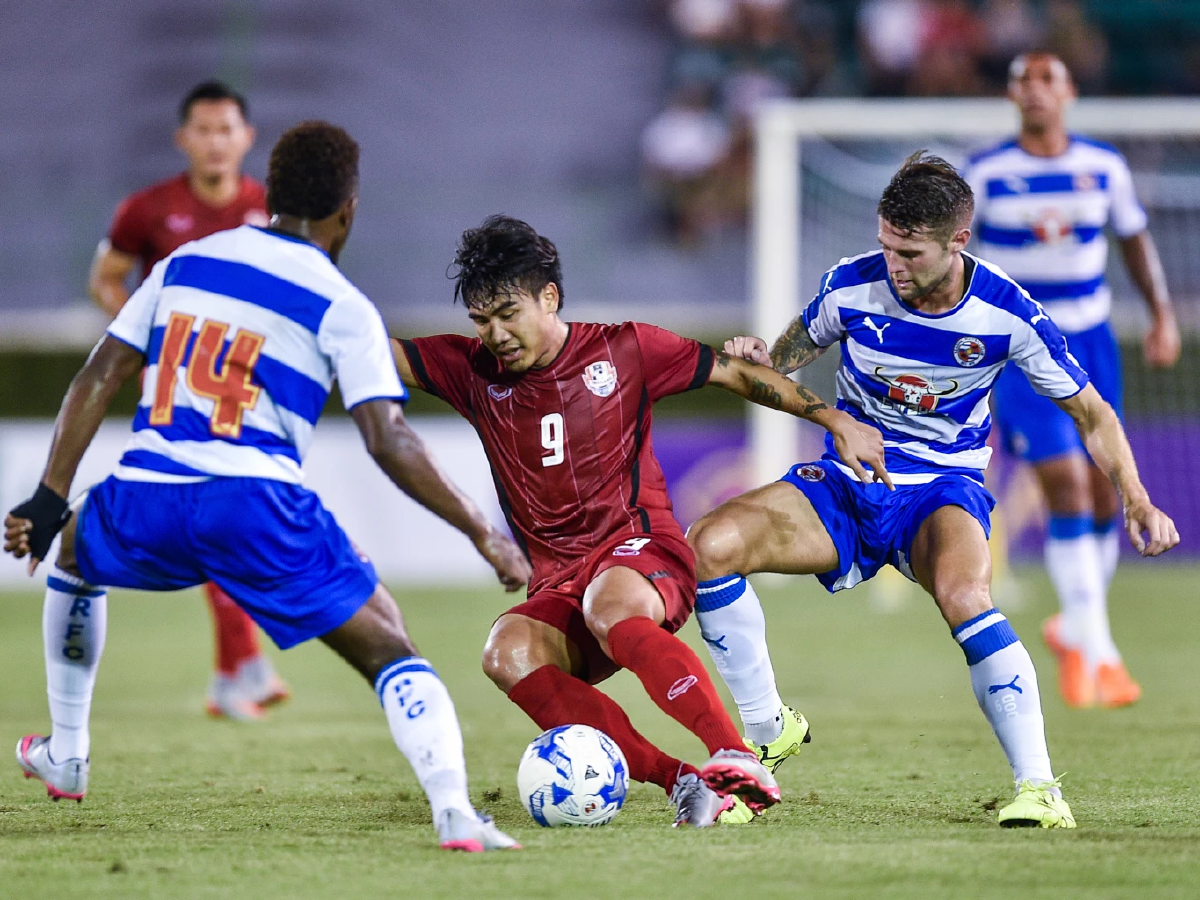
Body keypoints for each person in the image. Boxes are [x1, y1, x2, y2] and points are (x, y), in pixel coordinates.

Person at [6, 122, 532, 853]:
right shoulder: (341, 303)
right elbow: (389, 438)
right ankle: (454, 813)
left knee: (67, 553)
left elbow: (99, 374)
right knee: (389, 645)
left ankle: (67, 750)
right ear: (347, 211)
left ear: (270, 193)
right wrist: (483, 532)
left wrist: (46, 497)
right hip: (252, 504)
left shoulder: (186, 263)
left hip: (146, 494)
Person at [686, 152, 1178, 829]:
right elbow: (782, 360)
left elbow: (1092, 412)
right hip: (847, 484)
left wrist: (1136, 496)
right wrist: (757, 357)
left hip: (941, 489)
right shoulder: (848, 286)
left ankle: (1040, 790)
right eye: (887, 245)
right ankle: (768, 731)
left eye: (910, 253)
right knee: (708, 545)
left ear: (959, 242)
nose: (893, 264)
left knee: (965, 595)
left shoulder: (1009, 313)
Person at [391, 214, 889, 827]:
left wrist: (835, 422)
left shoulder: (623, 348)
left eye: (507, 313)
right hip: (558, 582)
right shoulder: (469, 370)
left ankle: (734, 754)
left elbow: (734, 374)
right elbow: (365, 351)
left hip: (641, 552)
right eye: (481, 319)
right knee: (507, 651)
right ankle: (682, 782)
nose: (495, 333)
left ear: (549, 297)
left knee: (610, 604)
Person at [965, 53, 1180, 709]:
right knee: (1063, 478)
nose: (1034, 91)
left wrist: (1162, 316)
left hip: (1090, 342)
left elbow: (1134, 241)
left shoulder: (1104, 168)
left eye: (1046, 80)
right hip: (1021, 348)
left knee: (1100, 493)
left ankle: (1075, 629)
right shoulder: (987, 172)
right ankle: (1102, 650)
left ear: (1069, 93)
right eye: (1022, 80)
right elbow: (957, 256)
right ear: (1010, 95)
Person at [88, 80, 287, 721]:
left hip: (246, 389)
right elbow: (105, 279)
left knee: (224, 520)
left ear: (247, 138)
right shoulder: (147, 211)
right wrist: (150, 337)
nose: (215, 141)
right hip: (179, 392)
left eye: (226, 129)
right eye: (203, 130)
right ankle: (241, 668)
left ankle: (237, 672)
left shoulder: (270, 207)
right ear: (183, 139)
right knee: (221, 516)